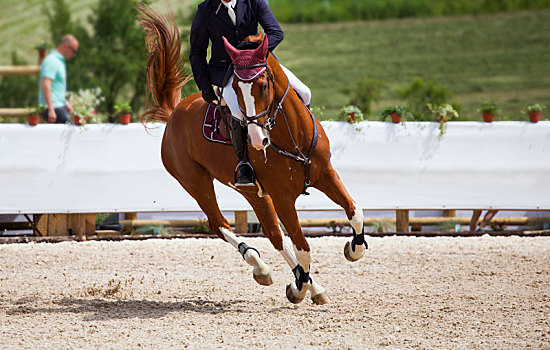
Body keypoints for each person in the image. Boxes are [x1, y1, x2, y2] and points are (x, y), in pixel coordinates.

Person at [189, 0, 311, 186]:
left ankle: (308, 144)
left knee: (305, 92)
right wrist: (204, 85)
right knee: (238, 112)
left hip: (258, 64)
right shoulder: (205, 9)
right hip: (226, 72)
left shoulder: (254, 2)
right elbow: (197, 52)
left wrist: (253, 54)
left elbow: (276, 33)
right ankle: (244, 164)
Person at [39, 34, 79, 124]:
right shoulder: (52, 61)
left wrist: (65, 103)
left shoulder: (58, 62)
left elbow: (55, 88)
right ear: (66, 46)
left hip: (58, 107)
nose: (74, 55)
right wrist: (51, 109)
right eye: (74, 51)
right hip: (55, 109)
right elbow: (46, 85)